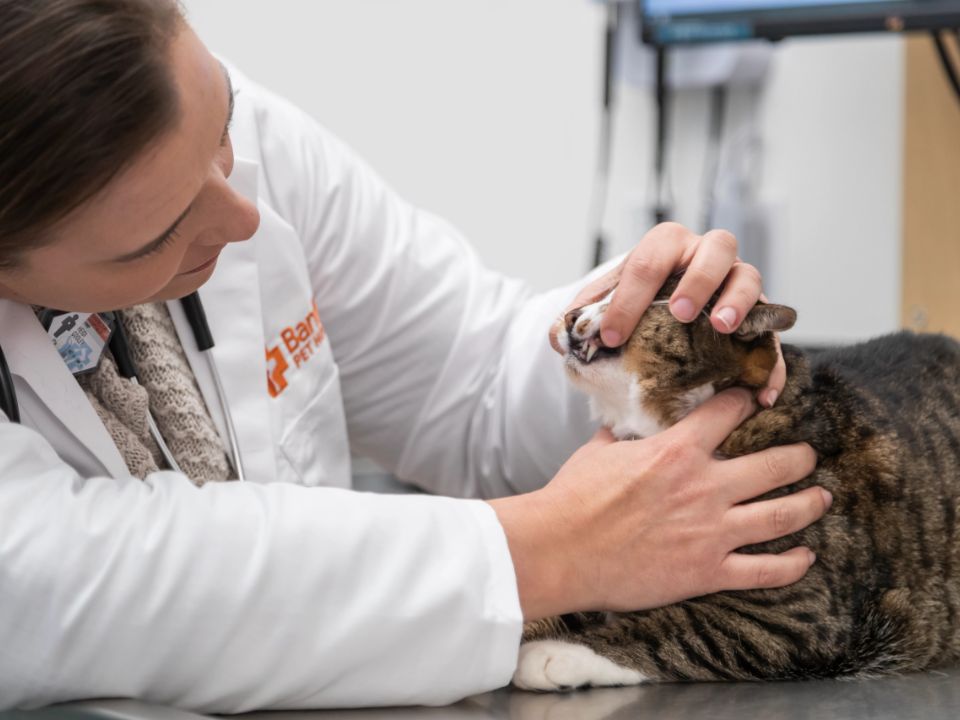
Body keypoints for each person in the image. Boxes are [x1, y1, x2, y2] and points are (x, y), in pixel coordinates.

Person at [0, 0, 828, 712]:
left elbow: (468, 381)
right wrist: (545, 549)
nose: (246, 216)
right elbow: (69, 586)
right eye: (160, 233)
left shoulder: (231, 136)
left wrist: (636, 335)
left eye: (220, 131)